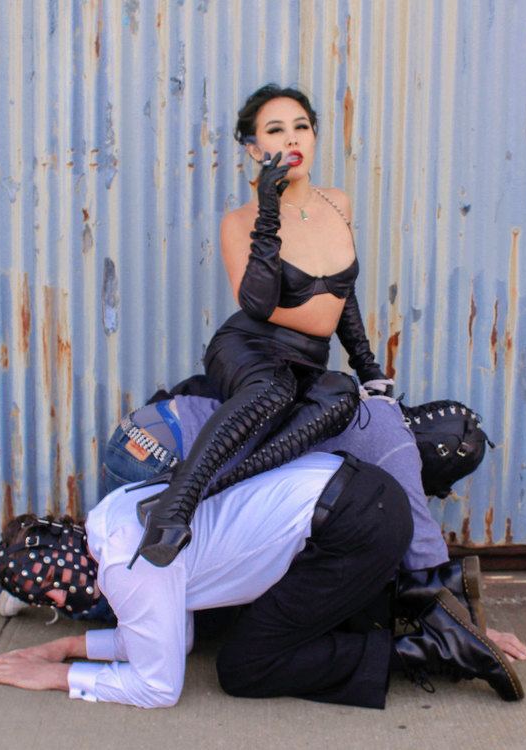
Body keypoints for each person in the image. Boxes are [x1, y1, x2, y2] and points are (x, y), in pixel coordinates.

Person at [0, 452, 524, 708]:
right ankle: (435, 594)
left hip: (353, 529)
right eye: (41, 597)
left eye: (49, 576)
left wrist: (56, 676)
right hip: (360, 497)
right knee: (283, 615)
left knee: (245, 666)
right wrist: (64, 647)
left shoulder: (127, 567)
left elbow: (158, 686)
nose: (55, 595)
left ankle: (438, 649)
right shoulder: (110, 516)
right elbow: (171, 635)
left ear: (65, 543)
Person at [134, 85, 393, 568]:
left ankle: (198, 494)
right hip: (250, 348)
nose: (291, 138)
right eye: (275, 131)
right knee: (273, 391)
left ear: (314, 137)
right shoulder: (240, 221)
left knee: (341, 397)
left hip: (307, 362)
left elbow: (344, 292)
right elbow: (256, 301)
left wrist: (368, 367)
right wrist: (268, 210)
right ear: (256, 150)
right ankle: (176, 508)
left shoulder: (337, 203)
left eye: (301, 126)